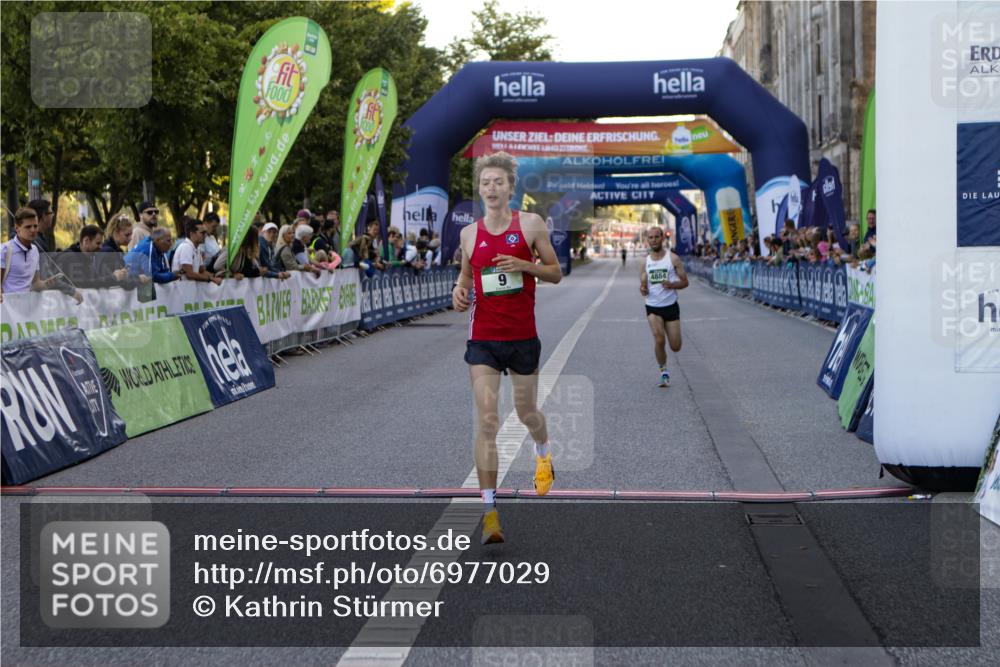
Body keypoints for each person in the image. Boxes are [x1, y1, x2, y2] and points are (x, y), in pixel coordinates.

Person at [451, 151, 562, 545]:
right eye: (486, 183)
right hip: (483, 339)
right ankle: (490, 512)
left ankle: (543, 448)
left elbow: (555, 272)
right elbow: (466, 275)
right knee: (486, 420)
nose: (492, 188)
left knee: (526, 411)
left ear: (511, 188)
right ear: (479, 190)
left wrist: (525, 265)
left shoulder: (530, 224)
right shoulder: (469, 233)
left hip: (521, 338)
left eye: (499, 182)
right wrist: (459, 292)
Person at [639, 225, 688, 387]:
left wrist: (673, 285)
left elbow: (685, 282)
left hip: (670, 306)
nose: (653, 240)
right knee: (659, 338)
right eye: (650, 237)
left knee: (675, 346)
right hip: (652, 306)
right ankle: (663, 372)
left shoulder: (673, 259)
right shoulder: (645, 262)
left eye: (656, 237)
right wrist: (643, 289)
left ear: (662, 238)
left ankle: (666, 363)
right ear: (647, 240)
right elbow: (643, 285)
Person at [2, 207, 82, 303]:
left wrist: (49, 283)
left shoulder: (35, 250)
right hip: (6, 310)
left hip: (25, 309)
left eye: (35, 226)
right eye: (28, 227)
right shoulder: (5, 249)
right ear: (17, 228)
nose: (33, 230)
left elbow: (35, 284)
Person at [172, 218, 222, 284]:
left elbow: (201, 271)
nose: (205, 235)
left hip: (190, 291)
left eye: (205, 232)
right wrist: (211, 279)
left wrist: (216, 275)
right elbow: (189, 274)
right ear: (192, 234)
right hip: (181, 291)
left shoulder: (197, 249)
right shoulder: (186, 247)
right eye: (202, 233)